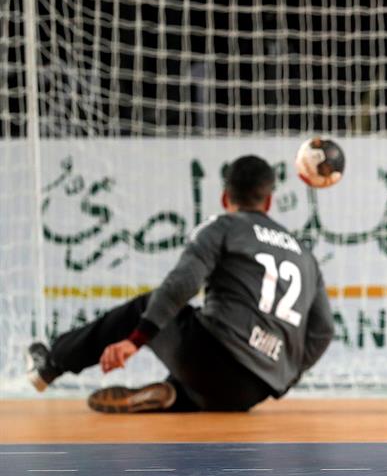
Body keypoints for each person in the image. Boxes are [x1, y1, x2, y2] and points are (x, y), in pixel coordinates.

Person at [26, 155, 334, 412]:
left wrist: (135, 340)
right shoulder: (304, 253)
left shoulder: (223, 226)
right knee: (208, 369)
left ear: (226, 197)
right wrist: (283, 373)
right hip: (255, 391)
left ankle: (51, 364)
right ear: (269, 201)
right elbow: (323, 331)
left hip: (212, 360)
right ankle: (174, 393)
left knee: (150, 305)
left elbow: (182, 282)